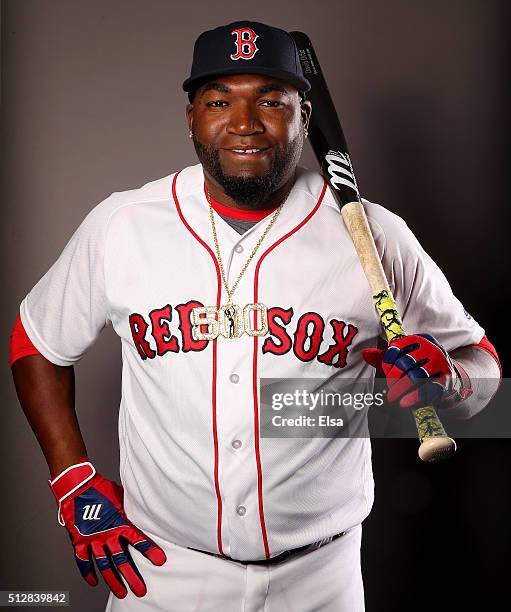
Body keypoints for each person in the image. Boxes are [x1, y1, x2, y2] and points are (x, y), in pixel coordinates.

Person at [10, 20, 501, 612]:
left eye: (270, 100)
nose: (244, 123)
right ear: (191, 116)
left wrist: (449, 381)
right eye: (219, 101)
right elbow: (34, 341)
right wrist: (73, 482)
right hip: (162, 576)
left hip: (322, 579)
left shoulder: (375, 235)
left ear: (305, 113)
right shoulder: (124, 225)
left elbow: (486, 377)